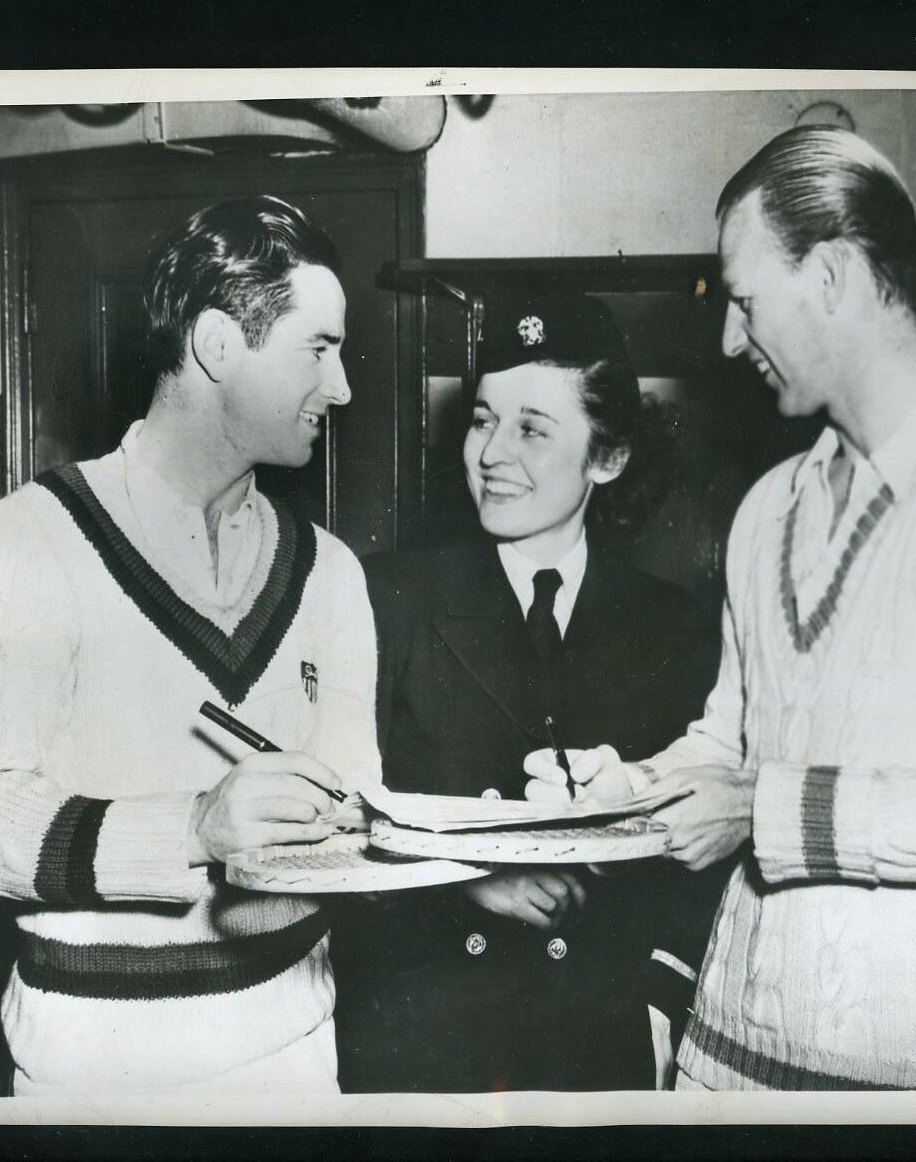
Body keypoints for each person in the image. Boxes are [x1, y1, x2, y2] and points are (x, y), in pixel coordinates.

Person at [525, 126, 916, 1091]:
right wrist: (621, 793)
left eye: (745, 301)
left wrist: (760, 813)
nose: (724, 338)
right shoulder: (767, 509)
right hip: (723, 1058)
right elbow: (729, 744)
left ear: (831, 274)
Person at [0, 195, 380, 1095]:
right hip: (93, 1068)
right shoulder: (26, 541)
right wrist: (190, 828)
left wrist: (450, 839)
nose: (342, 388)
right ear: (218, 345)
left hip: (299, 1049)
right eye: (320, 350)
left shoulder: (329, 571)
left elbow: (354, 807)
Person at [330, 290, 725, 1093]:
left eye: (533, 429)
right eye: (482, 419)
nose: (490, 453)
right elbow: (340, 821)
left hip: (596, 1038)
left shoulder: (673, 624)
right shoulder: (383, 599)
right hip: (425, 1037)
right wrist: (469, 880)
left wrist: (659, 1000)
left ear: (607, 458)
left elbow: (698, 842)